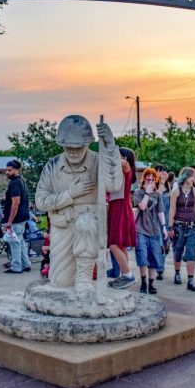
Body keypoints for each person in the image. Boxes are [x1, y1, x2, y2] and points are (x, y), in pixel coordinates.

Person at [34, 115, 123, 302]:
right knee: (60, 282)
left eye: (78, 148)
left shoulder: (98, 161)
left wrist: (110, 146)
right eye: (69, 148)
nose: (73, 152)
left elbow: (114, 185)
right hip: (63, 226)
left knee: (86, 223)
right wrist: (70, 194)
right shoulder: (52, 166)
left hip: (88, 225)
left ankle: (84, 279)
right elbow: (41, 201)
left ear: (87, 144)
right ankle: (70, 279)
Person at [106, 148, 138, 288]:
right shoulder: (120, 171)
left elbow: (120, 163)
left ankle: (128, 275)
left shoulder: (125, 166)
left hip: (120, 209)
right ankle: (125, 274)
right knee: (121, 245)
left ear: (124, 157)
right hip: (118, 208)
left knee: (113, 245)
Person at [168, 167, 195, 291]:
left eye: (194, 176)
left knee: (191, 253)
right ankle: (177, 273)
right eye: (191, 176)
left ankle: (190, 281)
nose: (193, 178)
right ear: (186, 177)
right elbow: (172, 210)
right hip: (179, 226)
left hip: (192, 226)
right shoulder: (176, 191)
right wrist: (170, 227)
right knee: (178, 251)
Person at [133, 168, 165, 294]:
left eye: (153, 178)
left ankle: (151, 284)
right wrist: (147, 192)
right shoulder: (138, 192)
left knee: (153, 257)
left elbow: (160, 212)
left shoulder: (157, 195)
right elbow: (142, 206)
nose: (150, 180)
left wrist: (164, 227)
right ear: (144, 179)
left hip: (154, 229)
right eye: (148, 178)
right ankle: (143, 282)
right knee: (142, 256)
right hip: (140, 228)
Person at [2, 160, 31, 274]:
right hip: (22, 217)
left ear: (16, 170)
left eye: (9, 170)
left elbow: (15, 203)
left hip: (16, 219)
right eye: (6, 170)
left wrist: (9, 221)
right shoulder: (21, 180)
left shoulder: (14, 183)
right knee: (21, 241)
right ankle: (25, 264)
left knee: (14, 243)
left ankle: (16, 266)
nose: (7, 172)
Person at [154, 164, 171, 281]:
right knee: (159, 245)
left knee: (166, 245)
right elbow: (157, 198)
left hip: (167, 219)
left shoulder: (167, 185)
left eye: (164, 170)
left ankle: (160, 266)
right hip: (156, 220)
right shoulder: (154, 185)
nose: (163, 172)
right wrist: (162, 182)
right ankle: (159, 270)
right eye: (160, 170)